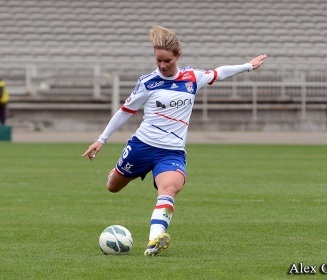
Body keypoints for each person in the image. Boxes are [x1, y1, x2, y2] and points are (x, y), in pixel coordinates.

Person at [82, 25, 267, 256]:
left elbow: (219, 72)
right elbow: (125, 111)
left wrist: (248, 66)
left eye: (167, 60)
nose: (162, 65)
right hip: (142, 147)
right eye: (158, 60)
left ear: (177, 56)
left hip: (172, 152)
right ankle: (119, 169)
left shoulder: (192, 78)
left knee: (169, 188)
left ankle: (154, 241)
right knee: (113, 187)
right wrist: (101, 140)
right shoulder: (148, 82)